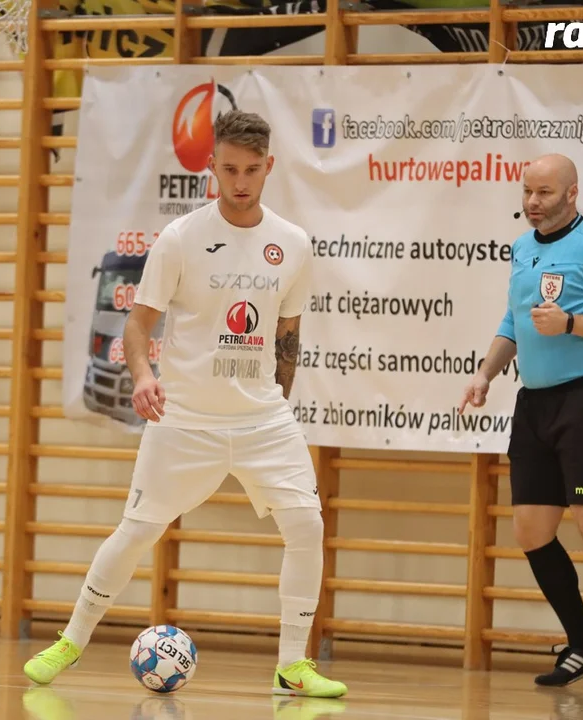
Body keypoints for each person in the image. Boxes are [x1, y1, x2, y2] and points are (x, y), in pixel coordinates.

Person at [23, 109, 347, 699]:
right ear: (211, 165)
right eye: (229, 169)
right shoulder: (180, 239)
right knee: (135, 531)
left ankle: (292, 664)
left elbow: (288, 339)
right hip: (186, 422)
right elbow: (138, 325)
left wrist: (275, 407)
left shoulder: (293, 244)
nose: (241, 181)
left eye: (252, 169)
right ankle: (70, 640)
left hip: (263, 421)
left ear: (269, 166)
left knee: (306, 525)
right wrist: (144, 375)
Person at [459, 154, 583, 687]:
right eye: (527, 192)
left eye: (544, 193)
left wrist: (570, 323)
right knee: (531, 530)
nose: (533, 203)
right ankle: (581, 643)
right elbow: (511, 321)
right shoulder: (521, 249)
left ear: (571, 193)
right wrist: (485, 374)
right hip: (535, 403)